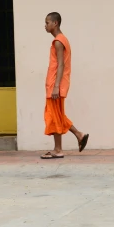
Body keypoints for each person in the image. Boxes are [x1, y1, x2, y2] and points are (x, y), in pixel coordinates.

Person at [41, 12, 89, 159]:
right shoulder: (62, 40)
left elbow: (61, 65)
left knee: (54, 116)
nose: (45, 25)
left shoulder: (58, 41)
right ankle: (79, 135)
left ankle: (58, 149)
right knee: (57, 115)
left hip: (56, 85)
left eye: (47, 22)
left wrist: (56, 86)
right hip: (57, 84)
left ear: (55, 23)